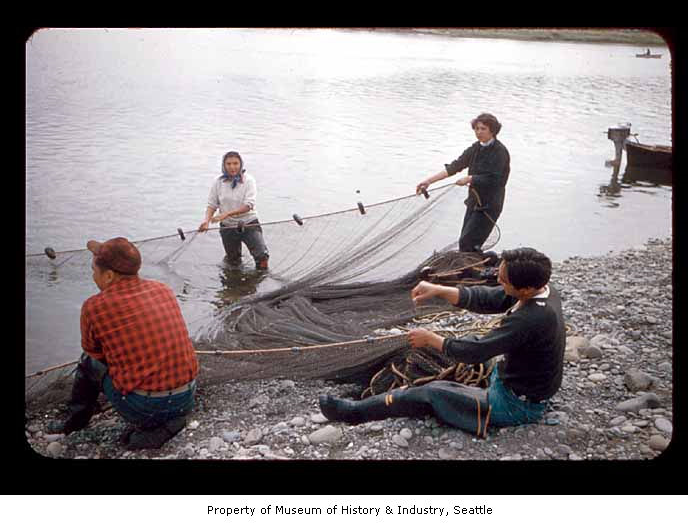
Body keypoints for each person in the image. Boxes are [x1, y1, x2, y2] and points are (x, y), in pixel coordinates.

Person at [319, 247, 565, 437]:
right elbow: (492, 298)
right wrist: (438, 290)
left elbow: (475, 352)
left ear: (526, 289)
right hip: (522, 385)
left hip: (515, 405)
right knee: (461, 354)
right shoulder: (542, 289)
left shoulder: (531, 319)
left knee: (430, 392)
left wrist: (431, 339)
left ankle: (353, 413)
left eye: (503, 280)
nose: (498, 282)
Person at [47, 237, 200, 450]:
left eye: (94, 271)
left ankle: (75, 423)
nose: (93, 276)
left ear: (109, 275)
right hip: (187, 395)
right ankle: (172, 419)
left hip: (147, 407)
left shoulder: (94, 306)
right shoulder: (162, 289)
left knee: (88, 362)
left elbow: (93, 352)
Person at [415, 113, 510, 253]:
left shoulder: (500, 152)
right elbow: (455, 166)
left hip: (490, 205)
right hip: (474, 201)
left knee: (468, 242)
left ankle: (471, 271)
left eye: (483, 129)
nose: (479, 132)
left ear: (493, 130)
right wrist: (428, 181)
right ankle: (470, 269)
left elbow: (495, 179)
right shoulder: (476, 148)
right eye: (476, 129)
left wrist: (471, 179)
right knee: (464, 240)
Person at [198, 151, 270, 270]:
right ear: (224, 165)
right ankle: (234, 284)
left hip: (249, 223)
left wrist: (226, 214)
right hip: (228, 226)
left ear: (240, 164)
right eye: (229, 164)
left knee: (262, 255)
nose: (232, 167)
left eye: (235, 163)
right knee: (233, 260)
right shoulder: (218, 182)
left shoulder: (248, 180)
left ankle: (261, 279)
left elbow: (249, 205)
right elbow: (212, 204)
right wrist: (206, 221)